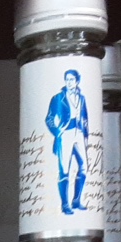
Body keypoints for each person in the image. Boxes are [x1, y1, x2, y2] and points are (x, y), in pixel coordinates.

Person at [45, 69, 90, 214]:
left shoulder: (82, 98)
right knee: (64, 169)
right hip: (66, 134)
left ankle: (76, 200)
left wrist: (86, 136)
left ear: (77, 80)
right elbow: (49, 118)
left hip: (79, 133)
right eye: (67, 79)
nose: (69, 82)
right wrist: (58, 132)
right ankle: (65, 205)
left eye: (71, 79)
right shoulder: (58, 98)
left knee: (84, 167)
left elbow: (85, 118)